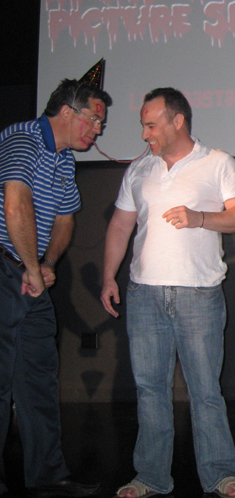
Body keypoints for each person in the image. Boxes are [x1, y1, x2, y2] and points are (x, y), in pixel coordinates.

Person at [100, 88, 235, 498]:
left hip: (198, 294)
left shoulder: (217, 162)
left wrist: (199, 217)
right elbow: (120, 226)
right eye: (143, 126)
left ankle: (219, 475)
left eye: (151, 125)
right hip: (144, 295)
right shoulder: (139, 169)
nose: (145, 134)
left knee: (205, 391)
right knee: (150, 390)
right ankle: (150, 476)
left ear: (177, 121)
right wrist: (108, 276)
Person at [1, 70, 111, 498]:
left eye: (101, 123)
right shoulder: (23, 138)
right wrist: (32, 266)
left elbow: (64, 220)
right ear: (67, 112)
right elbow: (16, 204)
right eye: (94, 119)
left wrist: (47, 263)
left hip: (28, 272)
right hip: (6, 267)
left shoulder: (64, 159)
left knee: (39, 378)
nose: (98, 129)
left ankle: (47, 476)